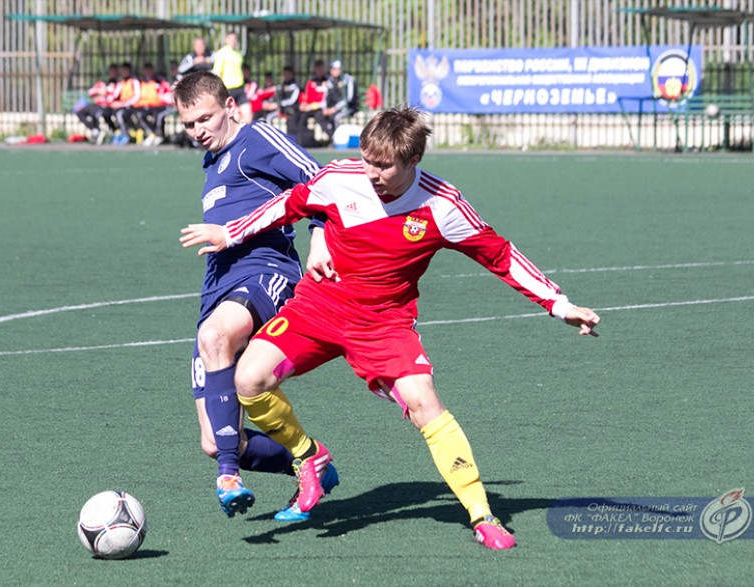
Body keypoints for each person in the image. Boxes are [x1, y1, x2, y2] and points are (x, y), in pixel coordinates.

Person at [180, 107, 602, 549]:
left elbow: (501, 257)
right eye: (367, 160)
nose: (372, 173)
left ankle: (482, 515)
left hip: (384, 323)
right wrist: (231, 233)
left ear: (412, 161)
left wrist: (558, 303)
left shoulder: (442, 204)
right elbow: (289, 204)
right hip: (319, 306)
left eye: (384, 166)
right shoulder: (340, 177)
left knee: (425, 404)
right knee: (249, 379)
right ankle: (308, 456)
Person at [172, 71, 339, 521]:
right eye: (188, 124)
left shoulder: (258, 139)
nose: (198, 131)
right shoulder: (211, 164)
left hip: (267, 274)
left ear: (230, 106)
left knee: (215, 336)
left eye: (205, 118)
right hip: (217, 290)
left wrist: (319, 237)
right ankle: (310, 462)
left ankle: (228, 477)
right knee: (215, 440)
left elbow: (324, 184)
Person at [212, 32, 251, 123]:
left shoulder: (238, 54)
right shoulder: (222, 53)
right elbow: (217, 72)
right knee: (230, 116)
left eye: (235, 39)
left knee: (248, 114)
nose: (233, 41)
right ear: (226, 40)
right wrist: (219, 88)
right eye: (231, 39)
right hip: (228, 88)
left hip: (239, 87)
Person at [313, 60, 358, 140]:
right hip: (332, 108)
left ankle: (338, 140)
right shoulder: (330, 81)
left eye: (335, 69)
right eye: (331, 69)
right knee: (319, 115)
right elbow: (326, 96)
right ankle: (333, 137)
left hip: (347, 108)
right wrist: (325, 108)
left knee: (336, 117)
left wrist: (335, 108)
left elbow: (349, 98)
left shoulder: (348, 80)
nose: (332, 71)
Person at [76, 64, 118, 144]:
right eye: (111, 71)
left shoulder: (117, 83)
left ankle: (98, 132)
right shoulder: (102, 83)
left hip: (105, 106)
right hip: (96, 105)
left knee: (97, 113)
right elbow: (91, 92)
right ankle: (94, 129)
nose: (112, 73)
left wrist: (105, 93)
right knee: (80, 113)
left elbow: (112, 95)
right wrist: (99, 91)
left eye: (114, 71)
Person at [108, 62, 141, 146]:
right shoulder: (120, 82)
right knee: (107, 113)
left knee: (120, 114)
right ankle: (117, 132)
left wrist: (123, 104)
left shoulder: (134, 81)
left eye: (125, 70)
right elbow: (115, 95)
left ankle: (125, 134)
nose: (124, 72)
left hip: (132, 106)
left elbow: (137, 96)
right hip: (122, 106)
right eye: (122, 70)